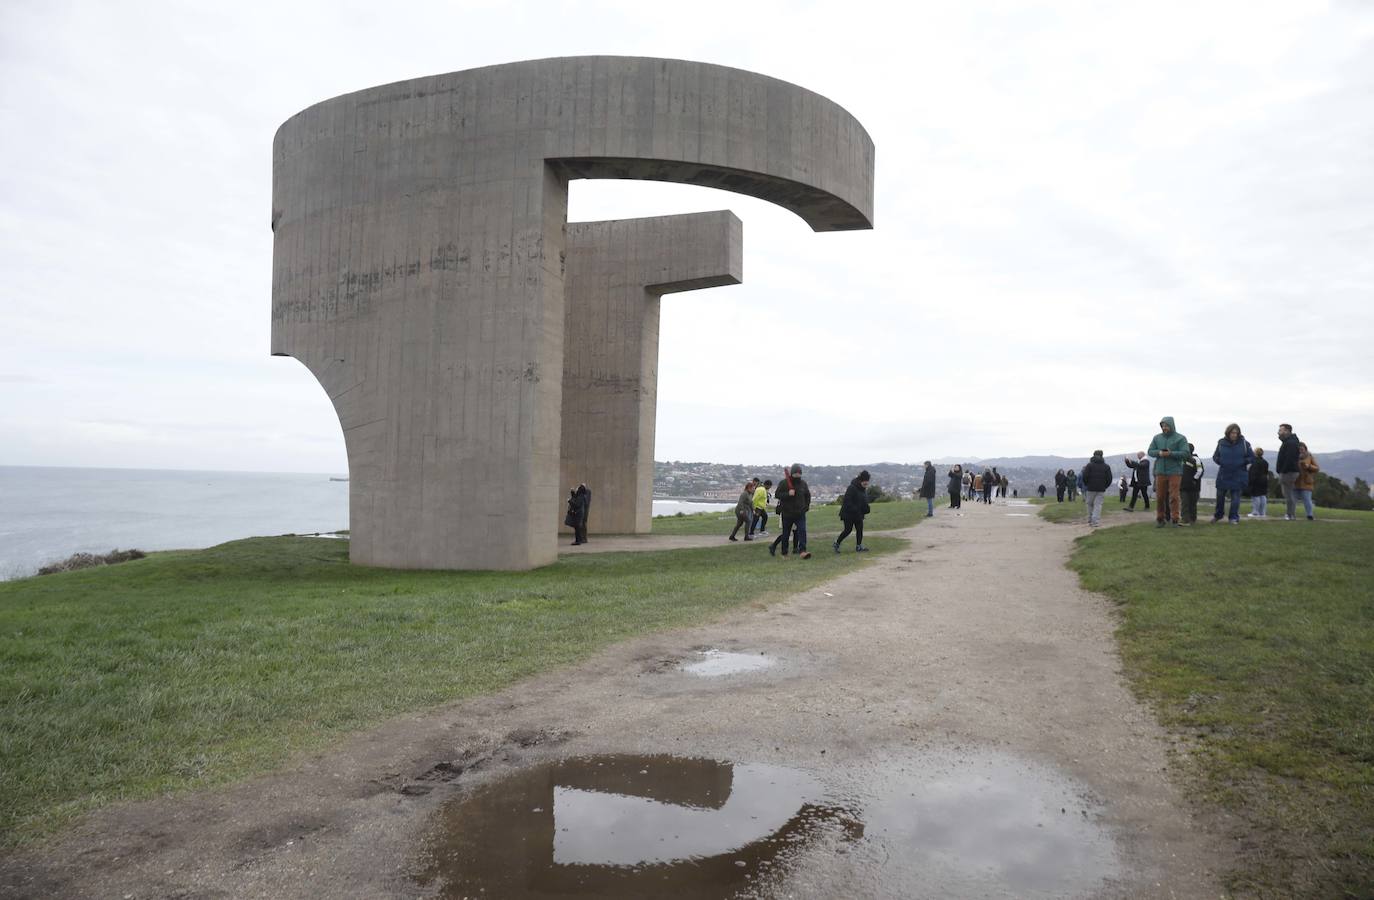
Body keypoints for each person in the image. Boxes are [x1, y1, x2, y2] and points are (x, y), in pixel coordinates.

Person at [1148, 416, 1188, 527]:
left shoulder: (1181, 438)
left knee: (1174, 496)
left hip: (1175, 471)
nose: (1164, 427)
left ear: (1172, 425)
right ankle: (1160, 519)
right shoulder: (1157, 438)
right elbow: (1150, 451)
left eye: (1166, 425)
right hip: (1160, 471)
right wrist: (1159, 453)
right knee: (1160, 496)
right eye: (1163, 426)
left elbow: (1185, 453)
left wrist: (1171, 453)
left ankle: (1175, 519)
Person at [1211, 423, 1255, 525]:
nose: (1234, 434)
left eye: (1236, 433)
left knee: (1235, 498)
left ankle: (1233, 518)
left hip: (1238, 474)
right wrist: (1220, 461)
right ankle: (1218, 515)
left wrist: (1243, 462)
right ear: (1228, 433)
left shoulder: (1245, 444)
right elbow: (1215, 456)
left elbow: (1252, 457)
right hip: (1224, 474)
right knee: (1220, 496)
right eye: (1232, 432)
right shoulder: (1221, 443)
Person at [770, 464, 812, 558]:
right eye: (795, 474)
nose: (797, 476)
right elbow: (777, 494)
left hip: (800, 513)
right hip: (787, 513)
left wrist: (806, 506)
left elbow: (807, 495)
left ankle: (802, 551)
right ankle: (784, 553)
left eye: (799, 474)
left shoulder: (803, 484)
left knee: (802, 531)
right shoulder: (784, 483)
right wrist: (788, 494)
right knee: (786, 533)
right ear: (792, 473)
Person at [834, 470, 872, 552]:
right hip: (848, 514)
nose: (866, 483)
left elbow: (863, 501)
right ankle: (837, 543)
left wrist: (866, 508)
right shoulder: (852, 487)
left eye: (867, 481)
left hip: (858, 514)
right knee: (848, 530)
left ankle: (859, 546)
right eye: (865, 481)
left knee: (860, 529)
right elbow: (847, 501)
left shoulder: (863, 489)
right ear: (861, 480)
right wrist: (856, 509)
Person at [1276, 423, 1302, 520]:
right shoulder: (1289, 442)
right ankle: (1291, 514)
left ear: (1287, 431)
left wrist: (1283, 471)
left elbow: (1289, 459)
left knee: (1288, 494)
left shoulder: (1290, 443)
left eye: (1281, 430)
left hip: (1288, 472)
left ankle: (1290, 514)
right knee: (1289, 494)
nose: (1278, 432)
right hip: (1289, 471)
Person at [1080, 450, 1113, 526]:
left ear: (1093, 455)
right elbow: (1109, 479)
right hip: (1101, 488)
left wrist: (1087, 484)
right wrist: (1105, 486)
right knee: (1098, 505)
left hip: (1090, 488)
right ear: (1102, 456)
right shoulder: (1106, 466)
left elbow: (1084, 477)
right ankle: (1095, 522)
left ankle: (1090, 519)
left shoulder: (1089, 465)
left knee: (1089, 504)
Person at [1179, 442, 1203, 525]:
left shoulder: (1196, 459)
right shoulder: (1181, 459)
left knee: (1192, 503)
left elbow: (1200, 471)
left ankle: (1193, 519)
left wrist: (1194, 479)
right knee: (1184, 503)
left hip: (1194, 486)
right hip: (1182, 486)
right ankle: (1185, 520)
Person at [1295, 443, 1319, 520]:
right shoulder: (1294, 457)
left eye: (1302, 449)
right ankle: (1291, 514)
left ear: (1305, 449)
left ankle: (1310, 515)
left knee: (1307, 500)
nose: (1300, 451)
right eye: (1299, 449)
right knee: (1292, 500)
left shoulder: (1310, 457)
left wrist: (1309, 466)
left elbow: (1317, 468)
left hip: (1306, 482)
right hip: (1295, 481)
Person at [1247, 448, 1270, 518]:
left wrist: (1250, 481)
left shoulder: (1255, 462)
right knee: (1263, 496)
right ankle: (1262, 512)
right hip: (1264, 480)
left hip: (1256, 480)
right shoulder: (1265, 462)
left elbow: (1253, 473)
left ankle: (1255, 512)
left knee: (1255, 496)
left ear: (1256, 453)